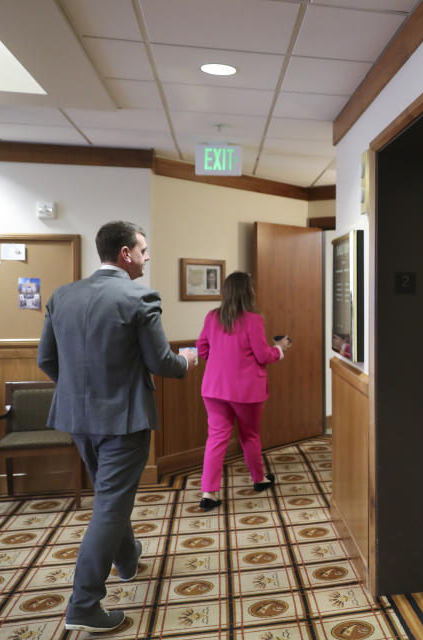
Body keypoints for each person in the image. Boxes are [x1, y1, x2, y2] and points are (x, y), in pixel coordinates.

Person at [37, 221, 197, 633]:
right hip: (124, 420)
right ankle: (84, 603)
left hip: (77, 419)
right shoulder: (139, 296)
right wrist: (189, 360)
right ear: (125, 253)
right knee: (109, 506)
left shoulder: (62, 295)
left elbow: (47, 361)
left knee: (111, 496)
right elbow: (162, 362)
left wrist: (79, 393)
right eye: (144, 251)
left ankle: (127, 559)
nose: (147, 258)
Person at [196, 271, 292, 511]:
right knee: (249, 435)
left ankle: (209, 493)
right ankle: (258, 480)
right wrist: (280, 348)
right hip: (246, 391)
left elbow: (201, 347)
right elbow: (263, 355)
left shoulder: (212, 316)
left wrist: (219, 363)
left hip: (214, 388)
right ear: (248, 292)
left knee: (216, 438)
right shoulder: (253, 319)